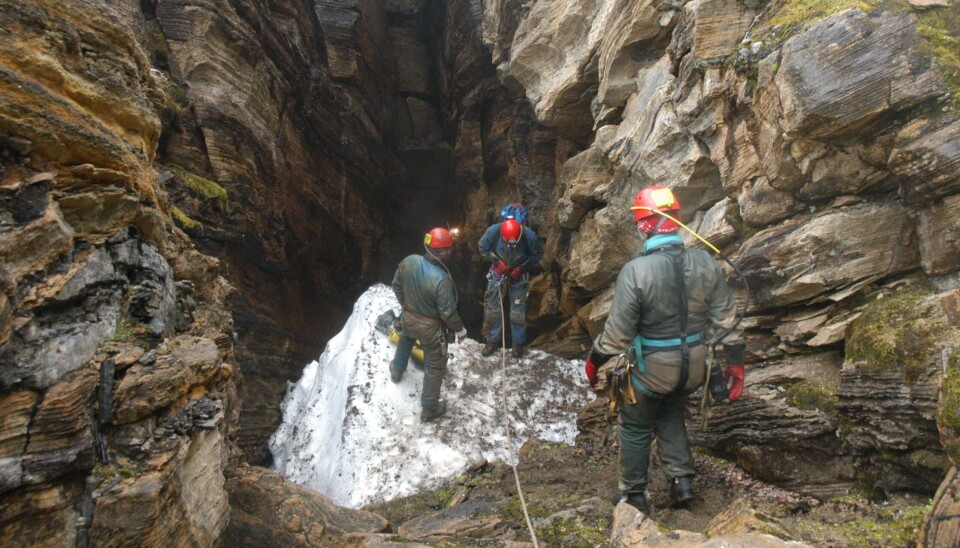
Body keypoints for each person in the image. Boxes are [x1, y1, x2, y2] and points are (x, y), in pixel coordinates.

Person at [583, 185, 745, 512]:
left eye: (639, 223)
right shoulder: (705, 262)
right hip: (696, 366)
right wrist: (736, 364)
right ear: (675, 219)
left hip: (654, 368)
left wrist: (593, 359)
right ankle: (682, 482)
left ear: (645, 225)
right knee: (671, 411)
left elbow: (617, 336)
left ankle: (634, 495)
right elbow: (727, 320)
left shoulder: (636, 271)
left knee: (636, 423)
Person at [390, 227, 467, 422]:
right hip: (431, 329)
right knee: (435, 364)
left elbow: (396, 284)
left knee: (406, 338)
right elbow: (448, 313)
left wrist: (404, 303)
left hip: (408, 318)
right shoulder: (442, 279)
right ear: (441, 252)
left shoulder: (409, 261)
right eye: (449, 249)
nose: (452, 252)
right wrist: (460, 330)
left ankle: (397, 370)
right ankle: (429, 408)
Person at [478, 204, 543, 358]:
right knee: (494, 308)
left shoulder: (529, 236)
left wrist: (521, 268)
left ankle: (517, 343)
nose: (510, 245)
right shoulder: (493, 231)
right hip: (498, 271)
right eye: (508, 242)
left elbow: (537, 254)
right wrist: (496, 261)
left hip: (518, 273)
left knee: (518, 311)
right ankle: (492, 340)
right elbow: (483, 247)